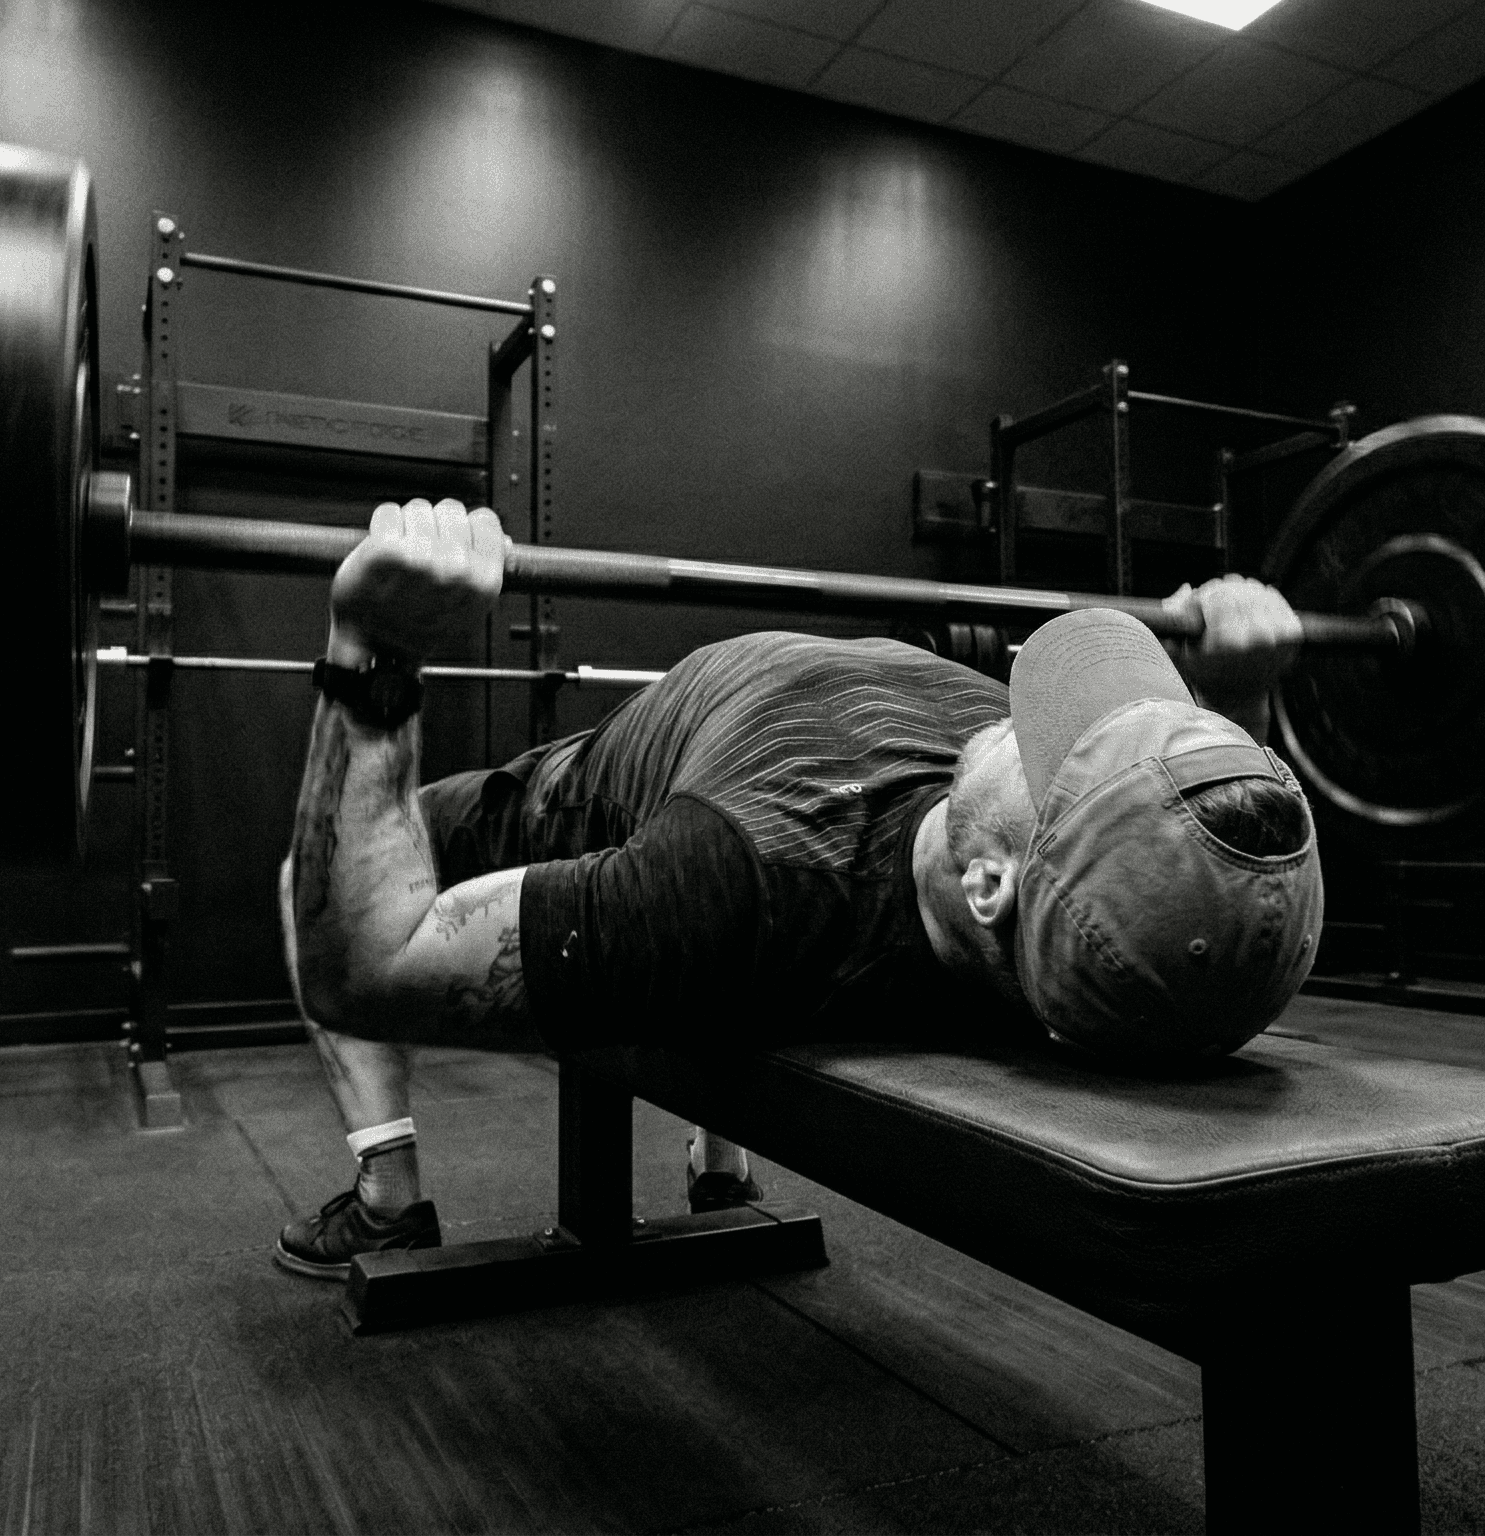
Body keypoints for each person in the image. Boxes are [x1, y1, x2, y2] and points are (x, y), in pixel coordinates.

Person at [273, 497, 1323, 1278]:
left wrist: (378, 654)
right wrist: (1229, 702)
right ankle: (720, 1168)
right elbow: (1185, 855)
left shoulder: (736, 877)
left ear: (992, 885)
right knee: (721, 953)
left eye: (1048, 748)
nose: (1025, 715)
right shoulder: (1067, 894)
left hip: (611, 782)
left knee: (305, 872)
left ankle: (385, 1198)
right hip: (736, 811)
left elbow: (364, 963)